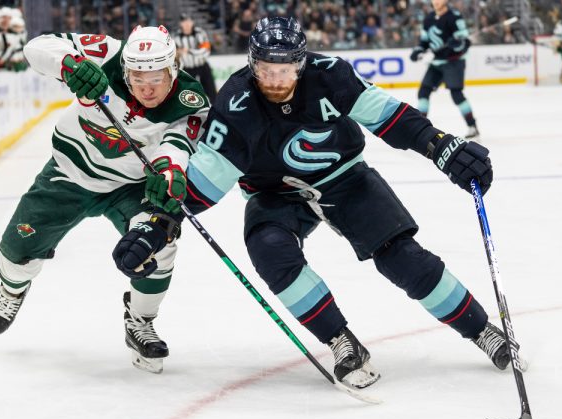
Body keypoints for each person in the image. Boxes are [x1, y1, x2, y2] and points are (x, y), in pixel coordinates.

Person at [114, 17, 510, 391]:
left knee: (400, 256)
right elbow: (204, 182)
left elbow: (389, 118)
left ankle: (482, 330)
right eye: (266, 70)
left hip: (345, 177)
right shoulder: (236, 103)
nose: (275, 80)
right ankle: (342, 341)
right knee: (270, 249)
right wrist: (157, 222)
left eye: (284, 70)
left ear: (301, 64)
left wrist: (440, 146)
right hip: (273, 193)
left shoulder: (330, 74)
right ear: (252, 65)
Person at [0, 25, 210, 374]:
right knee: (16, 250)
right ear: (125, 68)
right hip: (69, 173)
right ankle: (13, 289)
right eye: (138, 77)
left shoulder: (189, 100)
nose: (147, 88)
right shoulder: (106, 52)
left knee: (159, 243)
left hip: (130, 185)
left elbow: (177, 146)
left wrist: (169, 172)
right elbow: (37, 46)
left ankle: (140, 320)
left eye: (157, 77)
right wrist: (69, 64)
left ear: (173, 68)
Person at [410, 0, 479, 139]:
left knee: (456, 94)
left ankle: (472, 126)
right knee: (423, 91)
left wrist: (457, 44)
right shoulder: (428, 19)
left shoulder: (454, 16)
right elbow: (424, 41)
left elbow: (465, 42)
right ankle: (421, 128)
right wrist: (418, 50)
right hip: (437, 62)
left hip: (454, 61)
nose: (436, 1)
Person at [173, 13, 217, 102]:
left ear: (192, 22)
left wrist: (188, 50)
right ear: (180, 24)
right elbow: (175, 55)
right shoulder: (176, 37)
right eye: (184, 22)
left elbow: (205, 51)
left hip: (203, 67)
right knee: (188, 95)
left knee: (212, 93)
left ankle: (217, 113)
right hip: (187, 69)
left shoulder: (200, 33)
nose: (187, 24)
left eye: (189, 21)